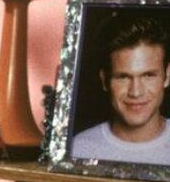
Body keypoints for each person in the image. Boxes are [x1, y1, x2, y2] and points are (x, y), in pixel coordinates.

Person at [72, 15, 170, 164]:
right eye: (123, 77)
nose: (136, 92)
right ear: (105, 80)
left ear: (167, 76)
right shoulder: (78, 149)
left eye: (148, 75)